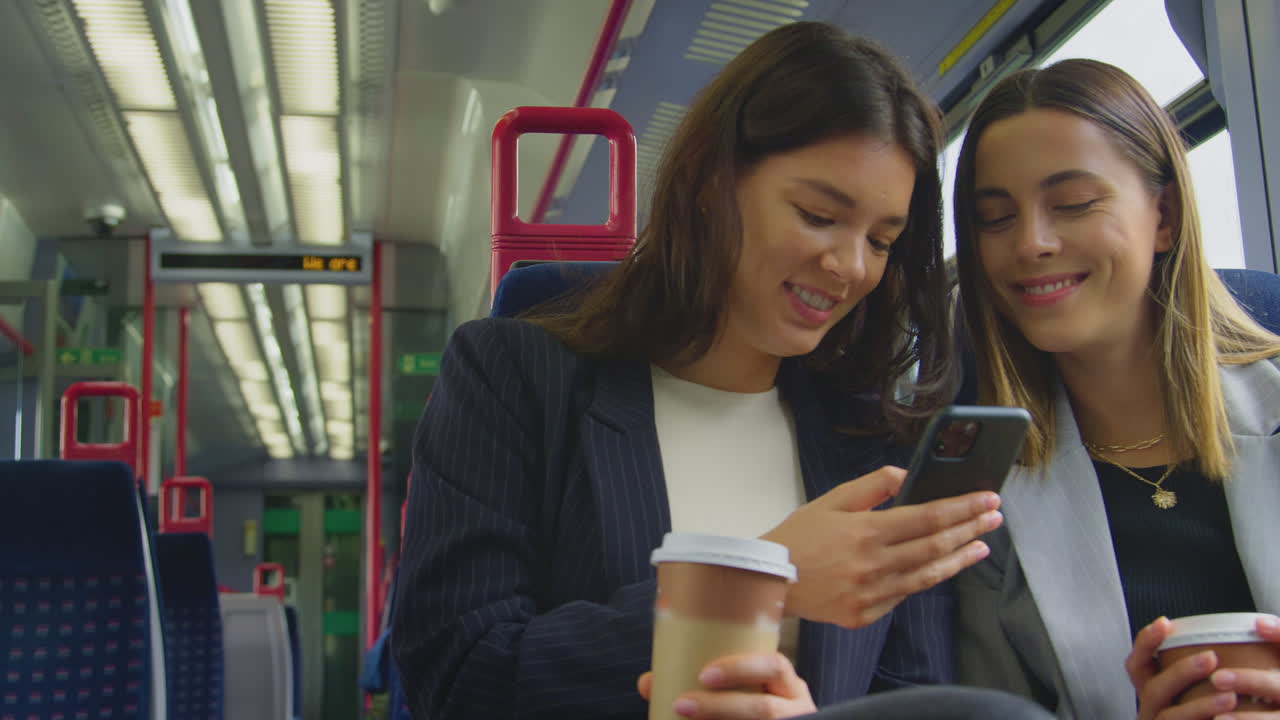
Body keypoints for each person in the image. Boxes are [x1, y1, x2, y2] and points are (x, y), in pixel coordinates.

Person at [393, 21, 1027, 720]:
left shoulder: (871, 440)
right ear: (707, 183)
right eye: (819, 215)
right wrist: (760, 584)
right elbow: (453, 678)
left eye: (881, 241)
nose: (850, 267)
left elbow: (911, 701)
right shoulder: (512, 379)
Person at [948, 58, 1280, 718]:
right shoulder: (978, 507)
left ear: (1163, 216)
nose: (1031, 243)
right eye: (995, 217)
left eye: (1073, 205)